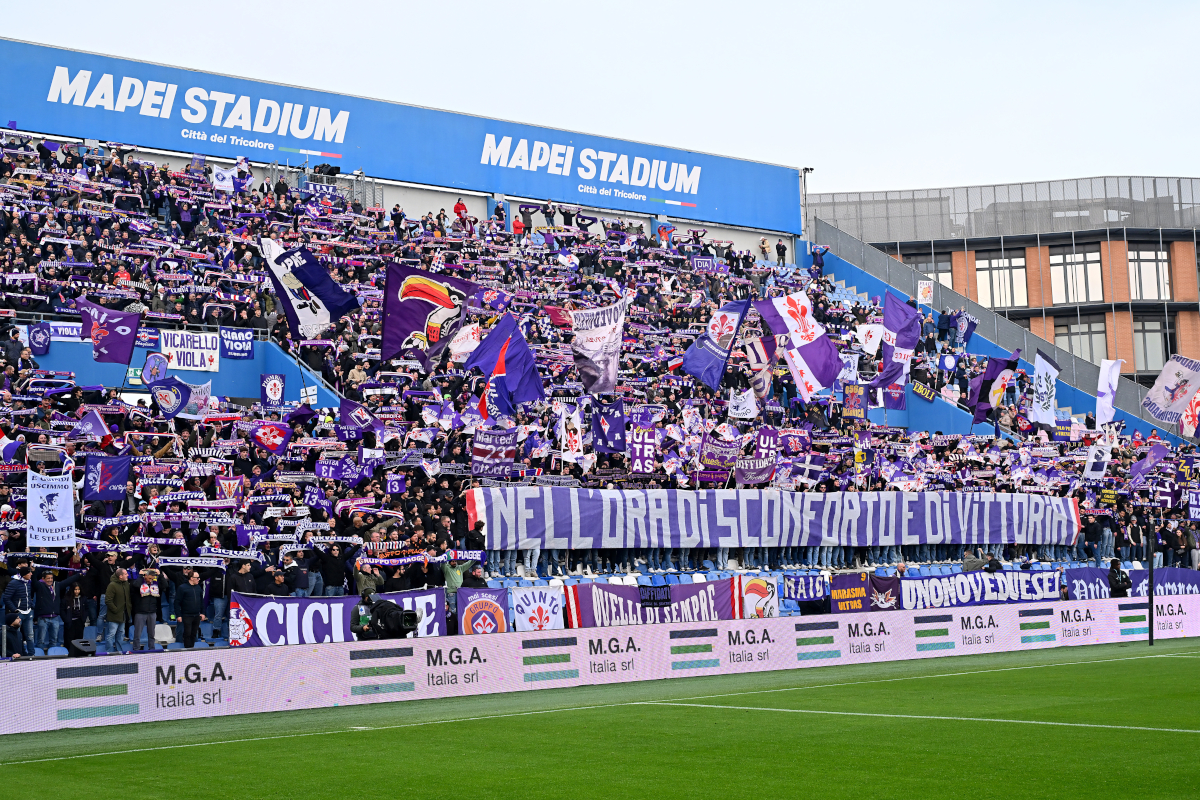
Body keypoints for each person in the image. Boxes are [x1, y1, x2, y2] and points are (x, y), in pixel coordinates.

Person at [103, 568, 132, 653]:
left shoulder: (126, 584)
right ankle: (109, 652)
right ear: (120, 576)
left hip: (123, 615)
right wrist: (115, 610)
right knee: (111, 634)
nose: (127, 575)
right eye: (126, 574)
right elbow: (108, 600)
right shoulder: (112, 585)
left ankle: (119, 651)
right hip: (114, 615)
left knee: (121, 634)